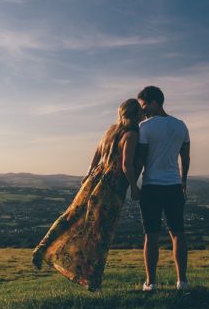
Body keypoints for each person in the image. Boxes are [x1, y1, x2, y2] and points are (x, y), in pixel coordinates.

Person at [31, 98, 142, 291]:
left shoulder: (110, 130)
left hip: (94, 179)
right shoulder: (131, 135)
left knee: (72, 216)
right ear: (135, 114)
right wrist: (134, 186)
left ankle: (43, 247)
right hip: (112, 186)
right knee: (100, 233)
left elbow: (97, 153)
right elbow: (126, 165)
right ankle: (92, 280)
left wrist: (89, 172)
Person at [134, 85, 190, 291]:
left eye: (144, 105)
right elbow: (185, 157)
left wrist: (132, 182)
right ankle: (182, 281)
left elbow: (140, 158)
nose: (143, 110)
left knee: (151, 235)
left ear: (155, 102)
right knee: (178, 233)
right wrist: (183, 181)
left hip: (151, 186)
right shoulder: (181, 125)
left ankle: (151, 282)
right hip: (174, 185)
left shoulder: (145, 127)